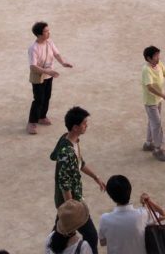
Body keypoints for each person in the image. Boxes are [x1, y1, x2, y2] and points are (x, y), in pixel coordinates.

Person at [51, 106, 104, 252]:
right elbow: (64, 182)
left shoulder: (70, 140)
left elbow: (80, 163)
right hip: (71, 201)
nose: (86, 125)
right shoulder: (67, 152)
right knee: (91, 236)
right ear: (75, 127)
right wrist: (71, 207)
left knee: (60, 231)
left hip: (67, 201)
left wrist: (96, 177)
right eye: (84, 123)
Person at [98, 174, 165, 254]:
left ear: (110, 196)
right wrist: (148, 201)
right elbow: (163, 215)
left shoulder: (105, 219)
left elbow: (103, 242)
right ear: (130, 190)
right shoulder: (142, 214)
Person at [28, 21, 74, 135]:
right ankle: (31, 122)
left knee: (46, 97)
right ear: (39, 34)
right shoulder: (33, 48)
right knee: (38, 99)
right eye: (46, 31)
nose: (49, 33)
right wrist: (47, 71)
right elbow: (33, 67)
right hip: (39, 76)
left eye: (48, 30)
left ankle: (42, 116)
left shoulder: (49, 43)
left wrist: (63, 63)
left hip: (49, 75)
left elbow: (56, 54)